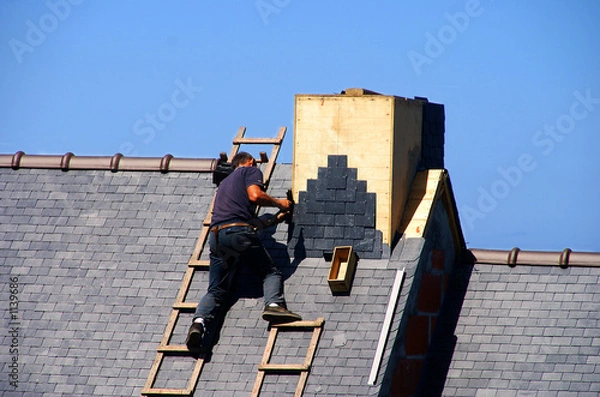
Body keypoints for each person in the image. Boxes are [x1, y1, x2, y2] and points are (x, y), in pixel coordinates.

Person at [186, 151, 302, 352]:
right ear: (250, 162)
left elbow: (250, 224)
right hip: (238, 233)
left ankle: (199, 322)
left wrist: (277, 218)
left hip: (216, 237)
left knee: (216, 289)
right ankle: (274, 306)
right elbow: (255, 195)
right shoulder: (249, 171)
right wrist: (280, 203)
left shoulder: (224, 186)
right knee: (270, 272)